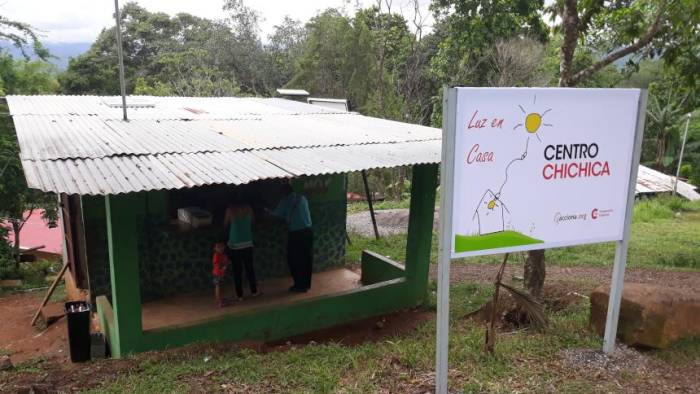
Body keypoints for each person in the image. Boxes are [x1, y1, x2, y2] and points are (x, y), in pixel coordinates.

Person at [270, 183, 313, 293]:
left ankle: (299, 285)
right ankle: (306, 284)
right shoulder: (302, 198)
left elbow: (276, 215)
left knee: (294, 259)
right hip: (308, 231)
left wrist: (266, 211)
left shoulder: (285, 201)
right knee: (306, 259)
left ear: (283, 192)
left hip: (296, 234)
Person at [223, 199, 259, 300]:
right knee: (250, 269)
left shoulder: (230, 210)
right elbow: (253, 222)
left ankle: (240, 295)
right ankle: (254, 291)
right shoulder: (249, 209)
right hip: (247, 242)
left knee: (237, 271)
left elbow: (225, 224)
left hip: (235, 244)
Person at [211, 242, 230, 307]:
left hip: (222, 273)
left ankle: (221, 299)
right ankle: (218, 301)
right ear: (215, 248)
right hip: (217, 273)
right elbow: (216, 264)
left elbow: (226, 262)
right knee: (218, 286)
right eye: (218, 247)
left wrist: (225, 266)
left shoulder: (224, 255)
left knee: (222, 286)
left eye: (222, 247)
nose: (220, 248)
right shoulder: (216, 255)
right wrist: (222, 267)